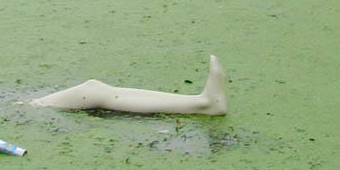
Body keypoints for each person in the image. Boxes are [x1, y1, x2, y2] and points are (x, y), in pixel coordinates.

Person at [30, 54, 227, 115]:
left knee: (93, 89)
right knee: (92, 91)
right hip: (29, 111)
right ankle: (202, 104)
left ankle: (202, 102)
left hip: (25, 108)